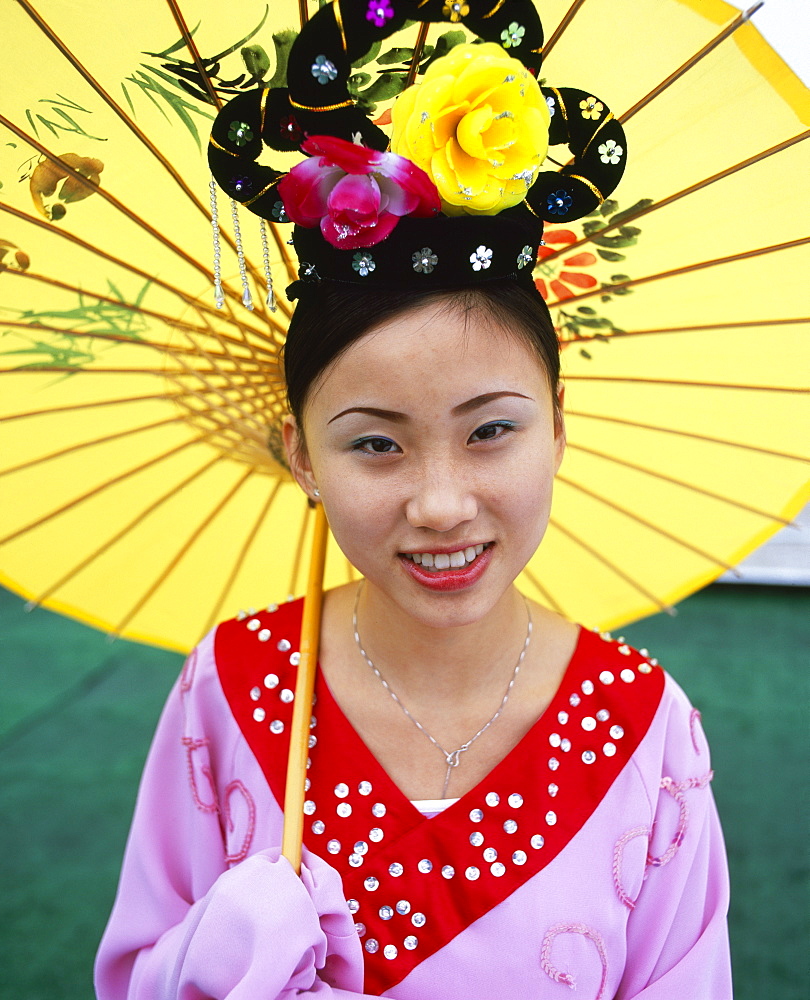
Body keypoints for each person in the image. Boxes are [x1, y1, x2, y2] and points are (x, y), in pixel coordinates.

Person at [96, 2, 732, 997]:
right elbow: (133, 973)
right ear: (299, 454)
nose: (440, 504)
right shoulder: (231, 684)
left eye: (490, 430)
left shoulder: (644, 724)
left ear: (557, 424)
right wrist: (223, 952)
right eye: (375, 443)